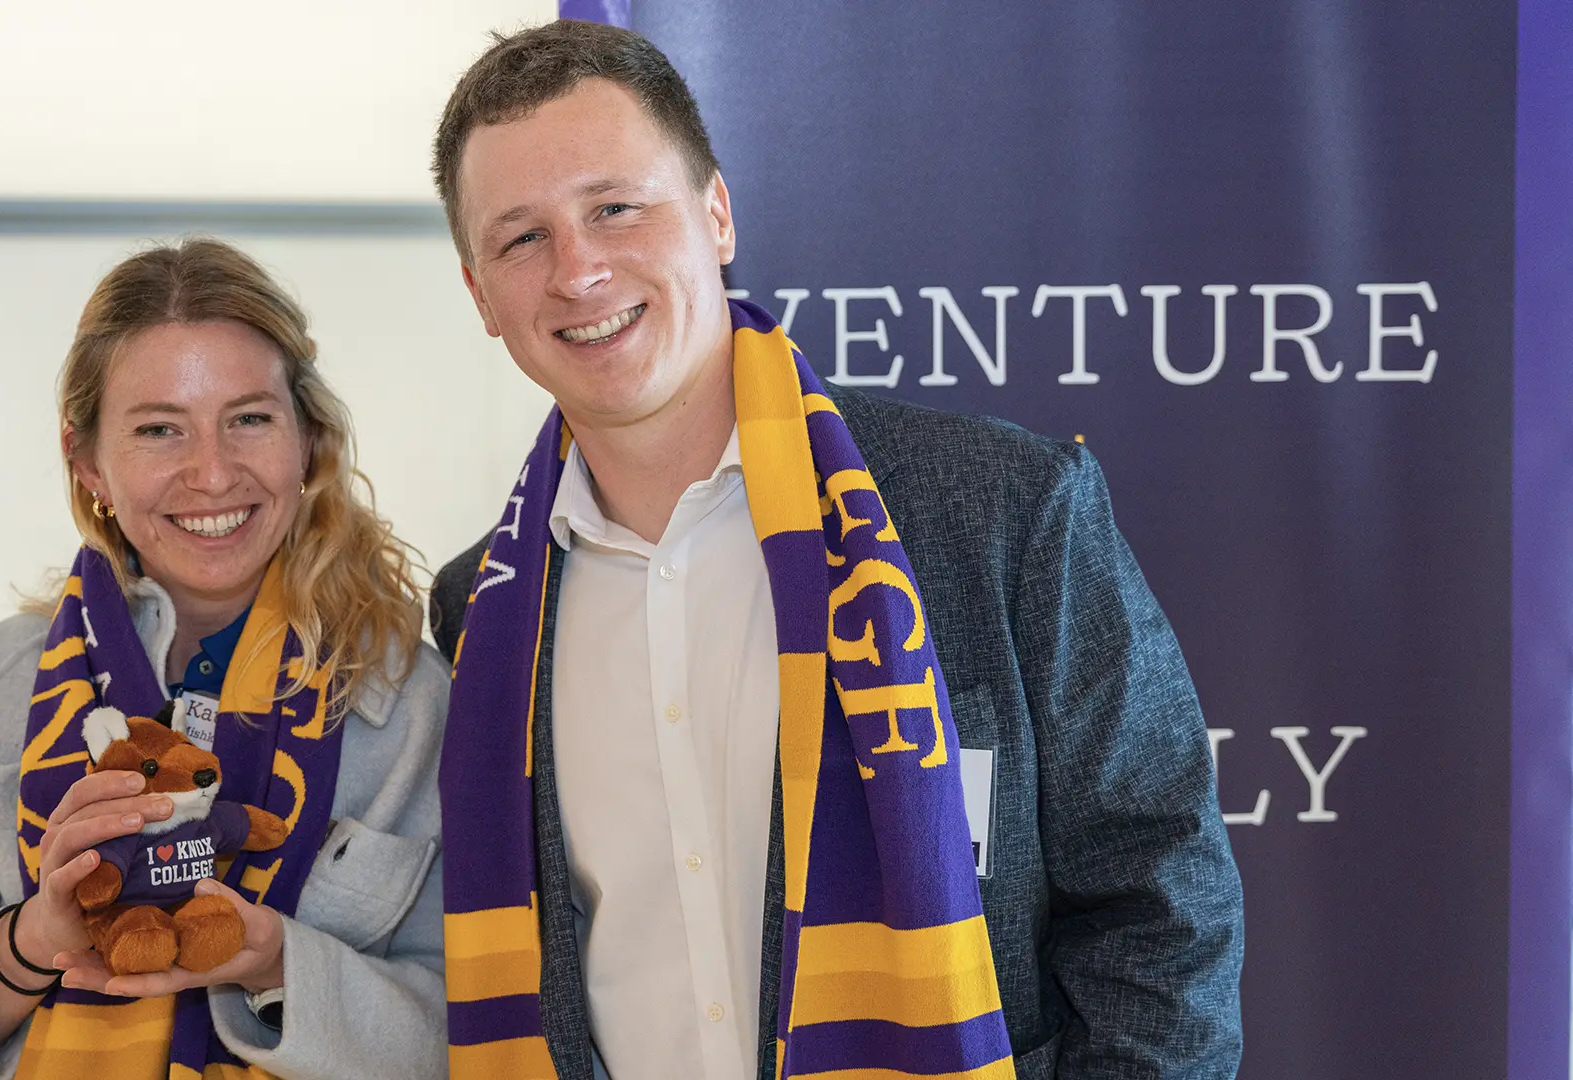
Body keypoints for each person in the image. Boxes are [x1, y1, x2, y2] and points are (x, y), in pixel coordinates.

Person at [426, 21, 1242, 1080]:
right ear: (479, 294)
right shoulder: (478, 616)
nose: (577, 270)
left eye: (615, 208)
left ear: (715, 213)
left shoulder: (1001, 512)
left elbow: (1161, 905)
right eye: (520, 237)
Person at [0, 238, 450, 1080]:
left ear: (306, 440)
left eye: (248, 419)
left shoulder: (412, 701)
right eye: (160, 429)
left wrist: (273, 962)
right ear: (87, 461)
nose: (211, 473)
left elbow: (474, 1024)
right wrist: (35, 940)